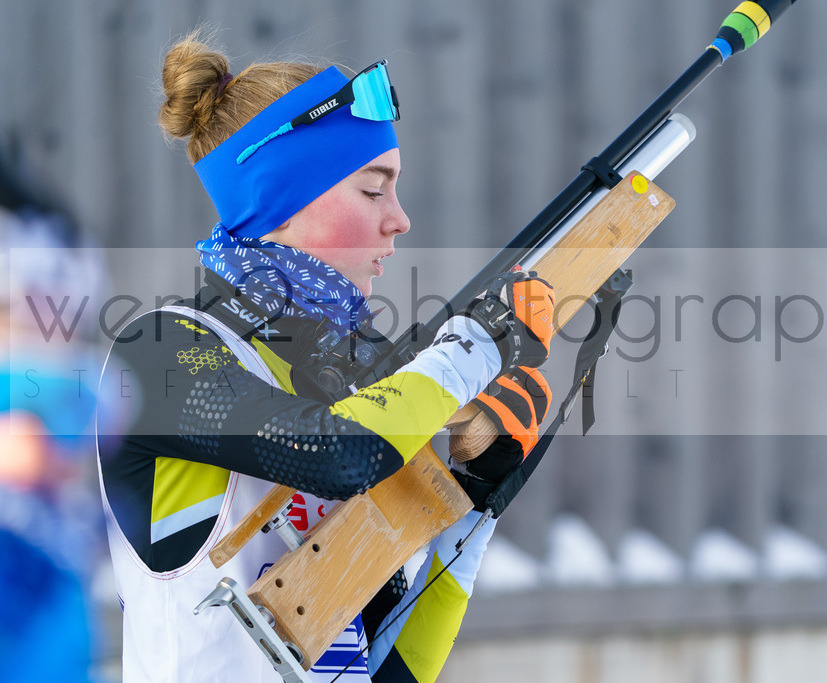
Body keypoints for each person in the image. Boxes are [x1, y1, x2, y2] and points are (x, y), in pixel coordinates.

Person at [96, 31, 555, 682]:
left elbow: (388, 670)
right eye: (374, 189)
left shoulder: (353, 376)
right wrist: (468, 351)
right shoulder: (162, 350)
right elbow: (339, 452)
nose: (399, 219)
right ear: (282, 200)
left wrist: (472, 507)